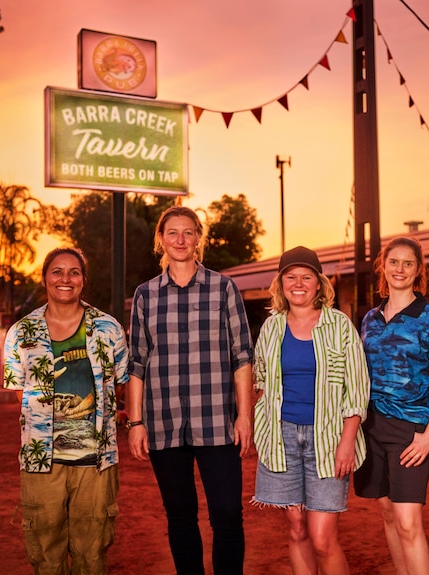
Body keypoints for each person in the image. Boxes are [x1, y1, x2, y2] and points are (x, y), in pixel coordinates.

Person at [125, 205, 254, 575]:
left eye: (188, 232)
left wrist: (244, 416)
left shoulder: (223, 287)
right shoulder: (145, 295)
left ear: (199, 239)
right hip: (165, 423)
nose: (180, 240)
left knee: (228, 513)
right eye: (172, 233)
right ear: (161, 240)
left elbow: (242, 356)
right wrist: (136, 422)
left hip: (217, 422)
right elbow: (137, 362)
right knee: (180, 515)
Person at [4, 246, 129, 575]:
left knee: (92, 554)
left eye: (74, 272)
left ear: (83, 280)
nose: (65, 279)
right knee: (46, 554)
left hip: (97, 463)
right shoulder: (21, 333)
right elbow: (21, 394)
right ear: (44, 278)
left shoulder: (109, 329)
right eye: (57, 271)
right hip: (41, 464)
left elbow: (115, 386)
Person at [252, 246, 370, 575]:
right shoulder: (271, 328)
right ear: (280, 284)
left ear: (319, 284)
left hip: (328, 441)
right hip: (282, 440)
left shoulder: (340, 326)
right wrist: (263, 429)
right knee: (297, 529)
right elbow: (261, 382)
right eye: (291, 277)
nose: (299, 283)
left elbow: (357, 389)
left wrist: (347, 441)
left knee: (322, 538)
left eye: (307, 277)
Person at [354, 236, 429, 575]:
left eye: (408, 263)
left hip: (410, 432)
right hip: (370, 428)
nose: (400, 269)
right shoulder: (370, 319)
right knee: (388, 515)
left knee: (408, 523)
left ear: (418, 271)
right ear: (383, 268)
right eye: (394, 262)